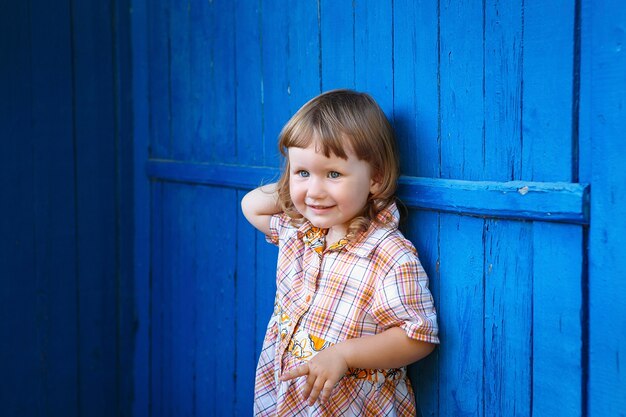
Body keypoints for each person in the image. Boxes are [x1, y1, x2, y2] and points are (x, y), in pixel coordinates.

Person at [241, 89, 439, 416]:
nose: (316, 190)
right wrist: (296, 192)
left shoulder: (388, 254)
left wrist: (344, 355)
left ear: (375, 177)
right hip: (291, 403)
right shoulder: (301, 232)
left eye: (333, 174)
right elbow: (251, 206)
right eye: (303, 172)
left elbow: (418, 336)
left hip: (351, 407)